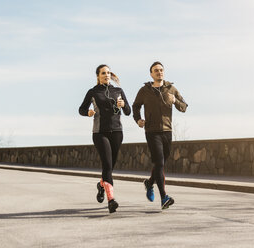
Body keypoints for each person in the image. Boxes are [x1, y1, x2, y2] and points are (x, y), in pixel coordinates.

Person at [132, 61, 188, 210]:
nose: (159, 72)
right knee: (160, 163)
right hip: (151, 131)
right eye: (156, 70)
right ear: (151, 74)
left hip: (167, 131)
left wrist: (175, 100)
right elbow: (135, 106)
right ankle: (164, 197)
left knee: (159, 163)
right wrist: (138, 119)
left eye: (161, 70)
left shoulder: (171, 89)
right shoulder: (144, 90)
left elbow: (184, 107)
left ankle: (150, 183)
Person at [79, 64, 131, 213]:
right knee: (107, 165)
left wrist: (123, 104)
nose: (106, 75)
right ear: (98, 76)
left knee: (110, 167)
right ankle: (111, 200)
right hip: (100, 133)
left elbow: (128, 111)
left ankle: (102, 185)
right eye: (103, 73)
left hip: (117, 132)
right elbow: (81, 109)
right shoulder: (93, 92)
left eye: (108, 72)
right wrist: (88, 113)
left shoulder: (118, 91)